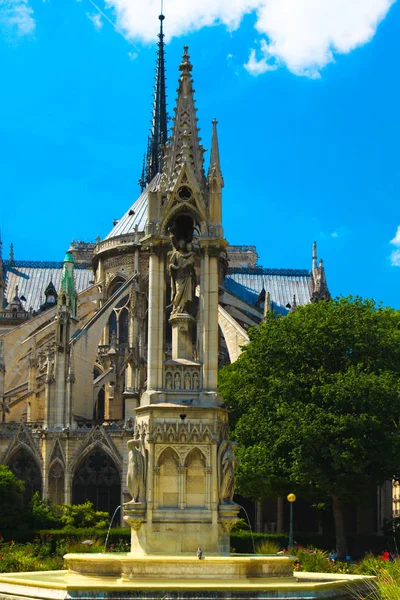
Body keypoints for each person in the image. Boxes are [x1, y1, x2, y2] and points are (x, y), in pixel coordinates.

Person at [169, 240, 195, 315]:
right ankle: (175, 307)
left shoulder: (188, 254)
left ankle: (183, 308)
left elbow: (191, 263)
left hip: (186, 276)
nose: (182, 244)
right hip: (178, 276)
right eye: (181, 243)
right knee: (178, 292)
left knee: (185, 295)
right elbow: (170, 264)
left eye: (184, 243)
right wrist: (176, 267)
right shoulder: (175, 254)